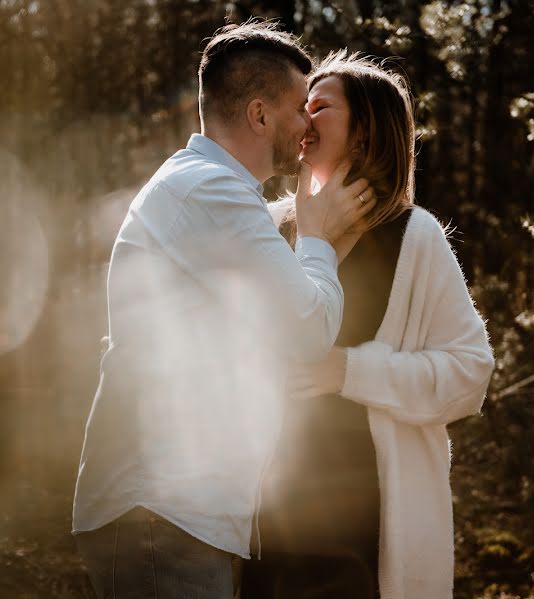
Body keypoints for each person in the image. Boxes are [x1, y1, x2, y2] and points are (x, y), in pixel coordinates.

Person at [71, 24, 376, 599]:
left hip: (170, 512)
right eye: (298, 108)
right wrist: (317, 237)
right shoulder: (211, 191)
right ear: (259, 116)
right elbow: (309, 331)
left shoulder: (209, 192)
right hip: (162, 511)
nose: (309, 125)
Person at [244, 50, 496, 598]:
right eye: (301, 104)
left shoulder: (415, 237)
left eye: (320, 105)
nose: (303, 116)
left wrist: (349, 371)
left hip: (367, 527)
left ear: (364, 134)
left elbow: (470, 373)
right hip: (267, 516)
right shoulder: (264, 228)